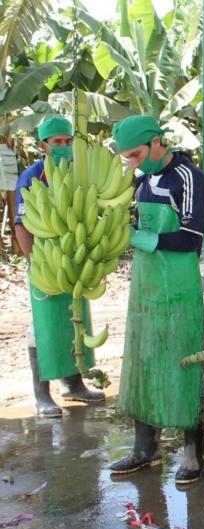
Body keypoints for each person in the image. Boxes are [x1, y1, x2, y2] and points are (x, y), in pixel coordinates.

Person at [108, 115, 204, 484]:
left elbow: (190, 237)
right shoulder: (140, 182)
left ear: (156, 143)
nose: (133, 163)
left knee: (182, 365)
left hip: (178, 287)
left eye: (136, 155)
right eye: (128, 158)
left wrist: (141, 238)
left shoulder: (189, 178)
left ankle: (193, 455)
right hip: (145, 288)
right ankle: (145, 450)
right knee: (143, 363)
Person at [13, 116, 105, 418]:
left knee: (75, 320)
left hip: (75, 258)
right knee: (44, 326)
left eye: (68, 141)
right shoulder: (32, 176)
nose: (64, 146)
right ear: (43, 146)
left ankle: (73, 384)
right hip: (46, 261)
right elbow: (21, 224)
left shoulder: (79, 172)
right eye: (58, 142)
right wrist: (34, 262)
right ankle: (42, 394)